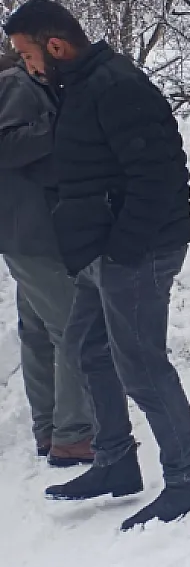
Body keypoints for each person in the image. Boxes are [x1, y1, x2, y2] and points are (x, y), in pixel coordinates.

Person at [3, 0, 190, 531]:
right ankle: (116, 461)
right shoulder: (76, 85)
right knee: (85, 348)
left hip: (139, 250)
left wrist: (123, 249)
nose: (25, 68)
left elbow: (158, 177)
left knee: (142, 365)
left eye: (26, 55)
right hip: (105, 251)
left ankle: (189, 478)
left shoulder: (117, 86)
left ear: (55, 47)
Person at [0, 53, 95, 467]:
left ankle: (49, 426)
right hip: (33, 229)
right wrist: (61, 123)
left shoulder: (29, 83)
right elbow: (8, 146)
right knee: (73, 328)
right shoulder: (17, 84)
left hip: (24, 229)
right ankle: (73, 434)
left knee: (38, 330)